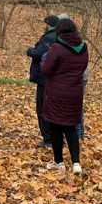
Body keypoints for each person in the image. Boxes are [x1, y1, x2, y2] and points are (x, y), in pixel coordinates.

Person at [40, 18, 89, 175]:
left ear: (59, 31)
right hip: (75, 93)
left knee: (55, 126)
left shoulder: (56, 47)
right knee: (71, 127)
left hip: (56, 93)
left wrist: (43, 59)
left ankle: (59, 162)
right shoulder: (84, 47)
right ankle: (76, 163)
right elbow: (81, 68)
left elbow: (46, 70)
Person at [26, 15, 58, 148]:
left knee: (43, 109)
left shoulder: (49, 38)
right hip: (50, 79)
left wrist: (30, 50)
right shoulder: (56, 36)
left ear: (49, 25)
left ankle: (48, 139)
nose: (43, 26)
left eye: (45, 23)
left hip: (44, 79)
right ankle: (53, 138)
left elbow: (38, 53)